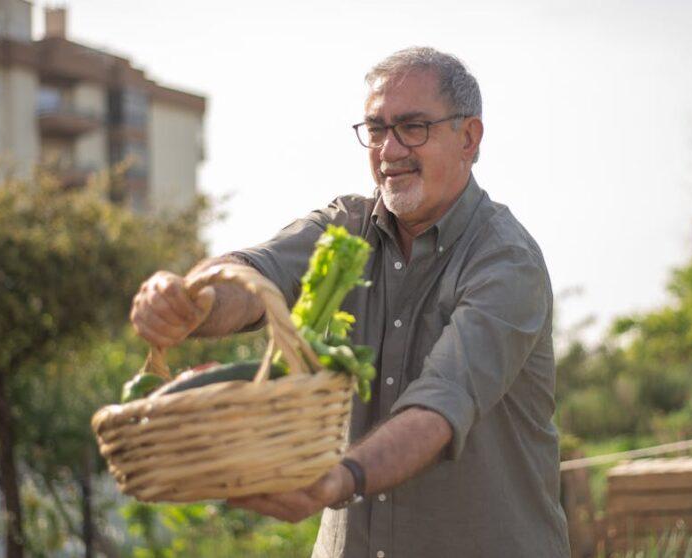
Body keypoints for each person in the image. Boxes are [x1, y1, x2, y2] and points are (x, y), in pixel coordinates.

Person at [130, 46, 570, 558]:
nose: (389, 150)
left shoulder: (505, 260)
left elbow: (441, 402)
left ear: (468, 138)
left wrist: (342, 478)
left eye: (413, 127)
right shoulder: (345, 228)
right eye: (376, 128)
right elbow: (254, 272)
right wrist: (191, 301)